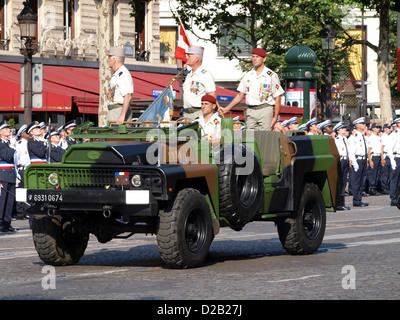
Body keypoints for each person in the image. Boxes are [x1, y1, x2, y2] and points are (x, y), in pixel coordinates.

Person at [220, 48, 284, 131]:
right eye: (253, 56)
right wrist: (227, 108)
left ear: (264, 59)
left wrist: (276, 117)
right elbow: (240, 95)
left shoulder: (271, 76)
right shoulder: (248, 75)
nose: (254, 59)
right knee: (250, 139)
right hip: (250, 110)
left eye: (257, 57)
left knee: (264, 137)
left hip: (265, 109)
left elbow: (278, 97)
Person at [182, 46, 216, 120]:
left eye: (189, 56)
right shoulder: (189, 74)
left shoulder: (205, 74)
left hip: (199, 113)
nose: (186, 57)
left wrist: (207, 114)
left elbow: (212, 95)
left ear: (196, 59)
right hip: (187, 113)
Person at [106, 46, 134, 125]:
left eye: (110, 57)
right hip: (113, 110)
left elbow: (128, 96)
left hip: (118, 110)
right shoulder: (117, 74)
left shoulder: (123, 74)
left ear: (114, 60)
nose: (108, 60)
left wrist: (122, 115)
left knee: (117, 137)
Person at [0, 120, 17, 233]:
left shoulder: (7, 143)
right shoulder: (1, 143)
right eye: (6, 128)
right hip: (3, 173)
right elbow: (6, 156)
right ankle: (0, 222)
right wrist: (12, 146)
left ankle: (7, 222)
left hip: (10, 174)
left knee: (9, 201)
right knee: (2, 201)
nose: (9, 130)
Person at [347, 117, 369, 207]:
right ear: (357, 125)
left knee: (360, 182)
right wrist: (354, 163)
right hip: (357, 160)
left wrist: (366, 159)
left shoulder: (362, 136)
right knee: (356, 181)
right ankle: (356, 200)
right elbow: (351, 151)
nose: (364, 125)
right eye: (363, 124)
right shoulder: (354, 137)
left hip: (363, 159)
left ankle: (359, 199)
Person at [333, 122, 350, 210]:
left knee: (344, 181)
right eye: (342, 129)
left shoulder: (345, 139)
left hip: (345, 160)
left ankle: (342, 203)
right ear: (338, 130)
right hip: (340, 160)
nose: (344, 130)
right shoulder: (337, 140)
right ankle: (338, 203)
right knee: (339, 182)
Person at [15, 124, 30, 220]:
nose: (29, 134)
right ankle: (20, 212)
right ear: (23, 133)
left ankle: (28, 210)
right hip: (22, 170)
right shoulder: (19, 144)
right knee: (21, 191)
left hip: (30, 170)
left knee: (29, 190)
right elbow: (15, 159)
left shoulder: (30, 143)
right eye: (27, 132)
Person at [387, 118, 400, 206]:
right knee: (394, 179)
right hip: (396, 157)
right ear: (398, 124)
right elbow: (389, 149)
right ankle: (393, 198)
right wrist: (392, 161)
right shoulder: (394, 134)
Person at [367, 123, 382, 195]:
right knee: (373, 173)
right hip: (374, 156)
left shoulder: (378, 138)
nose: (378, 129)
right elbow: (369, 150)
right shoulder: (371, 138)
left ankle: (375, 187)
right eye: (376, 127)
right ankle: (371, 188)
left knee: (378, 172)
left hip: (378, 156)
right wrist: (370, 160)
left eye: (378, 127)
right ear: (373, 129)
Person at [379, 123, 391, 194]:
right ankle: (384, 187)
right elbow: (382, 148)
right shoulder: (383, 137)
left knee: (389, 173)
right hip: (385, 156)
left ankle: (387, 186)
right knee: (385, 173)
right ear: (385, 129)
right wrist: (382, 158)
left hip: (389, 156)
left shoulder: (388, 136)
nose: (390, 130)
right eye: (389, 128)